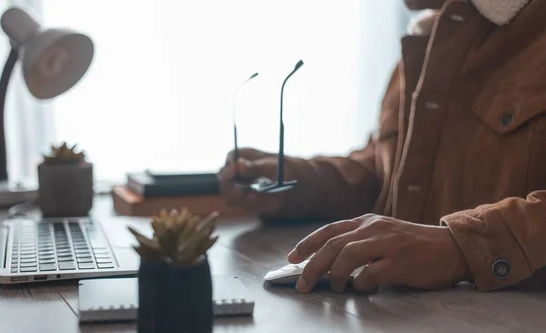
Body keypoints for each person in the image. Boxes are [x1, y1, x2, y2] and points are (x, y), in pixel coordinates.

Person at [217, 0, 546, 294]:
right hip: (413, 317)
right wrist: (297, 184)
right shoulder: (434, 34)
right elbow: (388, 168)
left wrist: (459, 249)